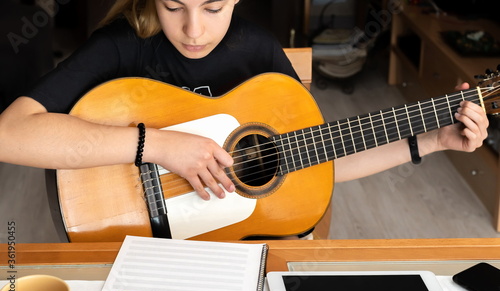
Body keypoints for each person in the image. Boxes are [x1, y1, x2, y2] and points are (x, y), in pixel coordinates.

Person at [0, 0, 488, 205]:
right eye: (173, 6)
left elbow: (313, 162)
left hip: (232, 242)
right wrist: (159, 145)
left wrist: (432, 140)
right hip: (125, 240)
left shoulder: (256, 54)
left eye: (212, 7)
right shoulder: (122, 45)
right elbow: (10, 133)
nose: (193, 30)